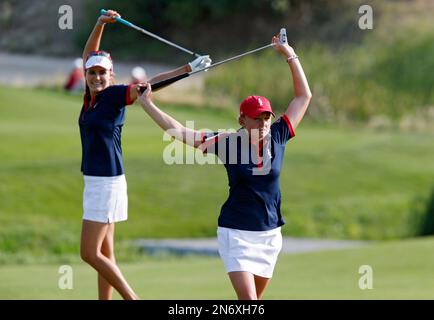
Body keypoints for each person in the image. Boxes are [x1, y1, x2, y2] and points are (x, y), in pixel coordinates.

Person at [137, 34, 312, 300]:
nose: (264, 122)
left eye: (267, 116)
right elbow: (181, 133)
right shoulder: (227, 142)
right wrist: (148, 104)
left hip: (269, 235)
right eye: (257, 118)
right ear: (242, 119)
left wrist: (289, 53)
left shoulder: (278, 135)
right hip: (236, 234)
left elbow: (303, 96)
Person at [78, 9, 211, 300]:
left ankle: (132, 298)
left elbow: (149, 86)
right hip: (97, 181)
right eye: (93, 72)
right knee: (105, 251)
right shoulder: (91, 97)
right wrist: (100, 24)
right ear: (86, 75)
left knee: (89, 253)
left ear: (111, 75)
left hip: (105, 183)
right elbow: (89, 53)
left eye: (103, 73)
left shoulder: (113, 96)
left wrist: (188, 69)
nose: (97, 76)